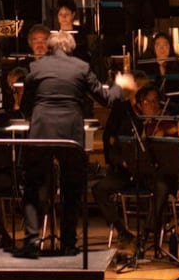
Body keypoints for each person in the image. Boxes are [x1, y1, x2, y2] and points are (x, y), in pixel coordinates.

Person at [16, 32, 129, 258]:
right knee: (71, 188)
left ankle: (31, 240)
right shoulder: (81, 67)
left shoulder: (36, 67)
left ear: (50, 48)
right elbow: (106, 99)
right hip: (70, 133)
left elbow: (26, 105)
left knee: (33, 186)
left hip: (41, 131)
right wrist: (118, 84)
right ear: (71, 48)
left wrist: (37, 116)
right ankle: (68, 243)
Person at [93, 83, 175, 270]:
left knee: (162, 187)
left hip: (149, 174)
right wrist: (122, 161)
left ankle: (146, 234)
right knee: (99, 189)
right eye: (149, 102)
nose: (154, 106)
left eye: (156, 102)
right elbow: (113, 148)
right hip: (126, 173)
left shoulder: (159, 121)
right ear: (139, 104)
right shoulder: (129, 121)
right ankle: (123, 232)